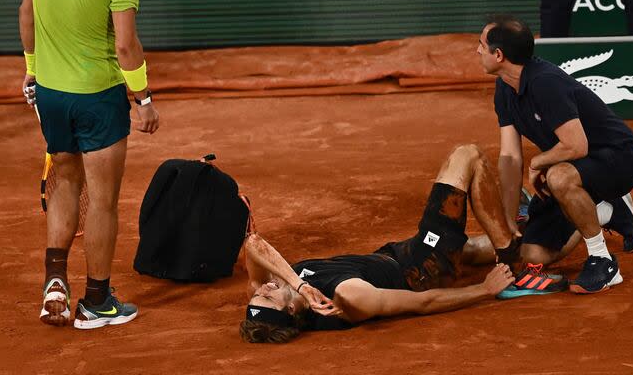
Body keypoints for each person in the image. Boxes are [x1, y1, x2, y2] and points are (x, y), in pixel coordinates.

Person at [239, 144, 568, 343]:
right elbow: (421, 302)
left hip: (398, 252)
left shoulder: (283, 286)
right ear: (292, 311)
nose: (263, 289)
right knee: (467, 156)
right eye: (268, 297)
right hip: (424, 266)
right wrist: (484, 290)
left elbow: (253, 243)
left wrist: (297, 284)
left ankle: (587, 216)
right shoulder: (348, 298)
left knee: (504, 250)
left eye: (259, 292)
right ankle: (513, 261)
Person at [19, 0, 160, 329]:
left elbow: (26, 12)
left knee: (63, 177)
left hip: (53, 95)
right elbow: (126, 47)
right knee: (102, 202)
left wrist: (33, 69)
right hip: (97, 98)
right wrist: (143, 99)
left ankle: (55, 280)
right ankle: (97, 302)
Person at [477, 14, 633, 294]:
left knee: (557, 176)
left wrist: (538, 162)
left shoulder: (545, 82)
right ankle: (605, 210)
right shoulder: (504, 87)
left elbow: (576, 145)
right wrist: (507, 223)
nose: (476, 50)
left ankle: (602, 261)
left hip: (618, 158)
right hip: (577, 163)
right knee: (533, 254)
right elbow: (509, 157)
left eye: (481, 44)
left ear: (498, 55)